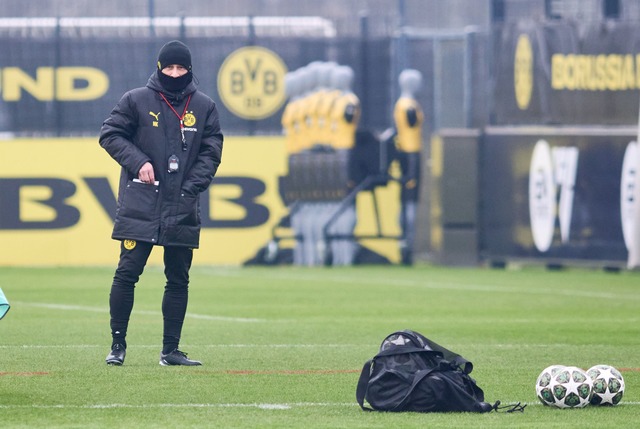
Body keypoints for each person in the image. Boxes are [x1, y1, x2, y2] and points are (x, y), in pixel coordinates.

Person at [99, 40, 223, 366]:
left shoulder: (204, 106)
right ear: (159, 68)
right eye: (169, 67)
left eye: (181, 68)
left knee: (178, 278)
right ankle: (117, 346)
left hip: (182, 206)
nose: (175, 73)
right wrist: (138, 161)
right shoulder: (136, 100)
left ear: (189, 70)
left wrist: (189, 189)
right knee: (127, 273)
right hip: (142, 200)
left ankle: (170, 351)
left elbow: (211, 154)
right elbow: (110, 134)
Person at [393, 69, 424, 265]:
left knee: (406, 203)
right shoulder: (408, 105)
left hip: (406, 152)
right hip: (410, 153)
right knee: (409, 204)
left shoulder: (401, 103)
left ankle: (404, 243)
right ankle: (406, 245)